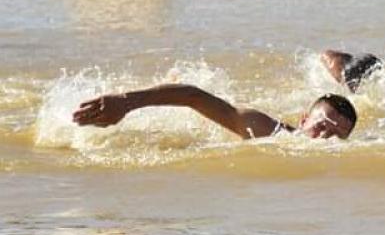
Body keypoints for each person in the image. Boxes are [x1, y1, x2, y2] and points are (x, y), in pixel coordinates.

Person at [73, 84, 357, 140]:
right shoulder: (267, 131)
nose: (325, 139)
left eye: (336, 135)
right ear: (304, 120)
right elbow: (193, 97)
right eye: (321, 127)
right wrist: (126, 102)